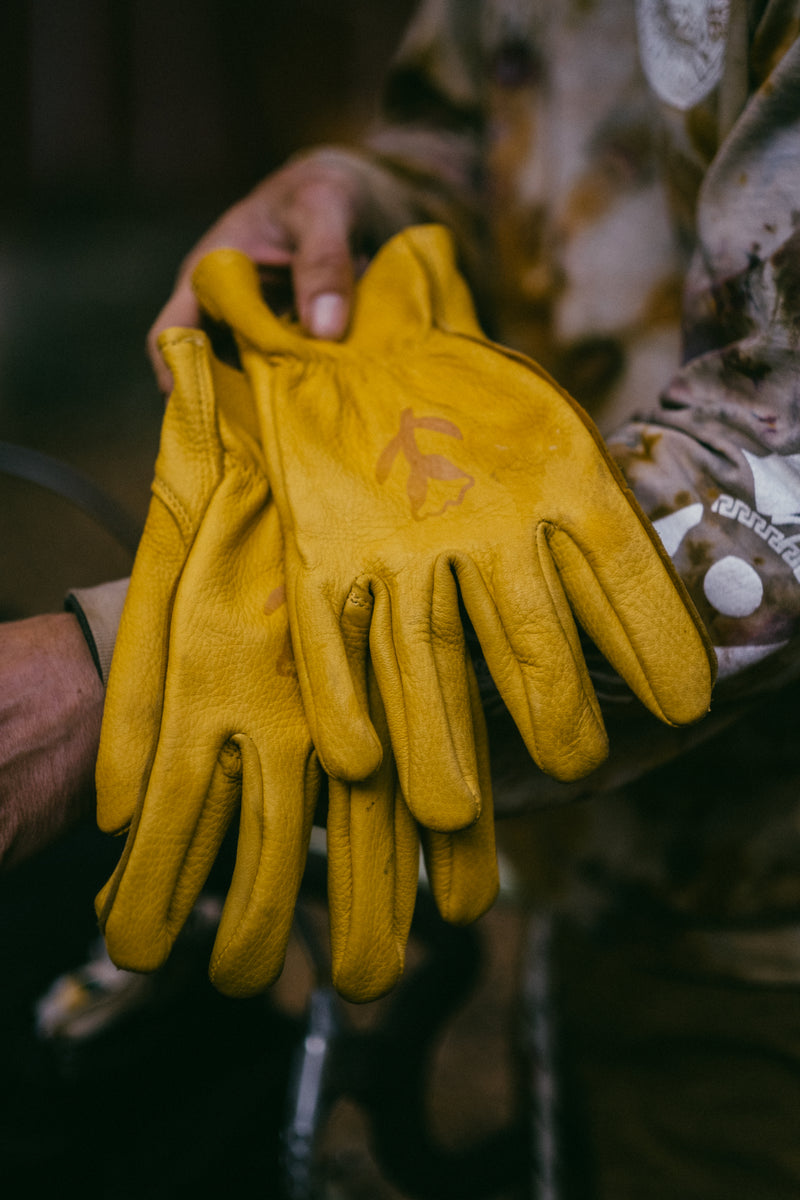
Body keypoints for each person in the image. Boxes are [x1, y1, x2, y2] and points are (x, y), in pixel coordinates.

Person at [4, 0, 800, 1192]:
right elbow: (484, 121)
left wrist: (134, 661)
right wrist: (365, 208)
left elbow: (778, 463)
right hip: (598, 863)